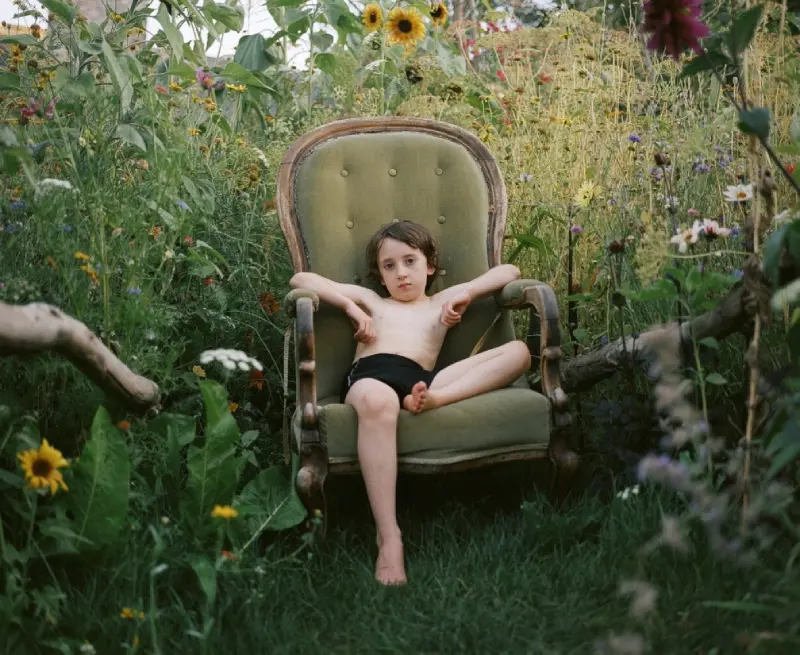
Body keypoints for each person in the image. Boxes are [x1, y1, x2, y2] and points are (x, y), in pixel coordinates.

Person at [289, 220, 531, 586]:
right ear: (380, 276)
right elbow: (301, 281)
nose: (401, 273)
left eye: (410, 261)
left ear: (430, 265)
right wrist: (353, 310)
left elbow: (510, 271)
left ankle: (437, 400)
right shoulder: (372, 301)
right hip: (372, 374)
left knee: (519, 352)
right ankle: (389, 536)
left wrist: (466, 295)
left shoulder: (441, 302)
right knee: (378, 401)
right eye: (389, 266)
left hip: (422, 381)